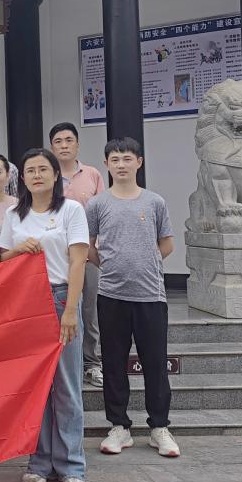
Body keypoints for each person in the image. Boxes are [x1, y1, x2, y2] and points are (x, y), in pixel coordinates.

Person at [0, 149, 89, 482]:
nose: (37, 175)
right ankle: (39, 462)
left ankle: (71, 465)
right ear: (22, 178)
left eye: (43, 169)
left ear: (55, 175)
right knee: (37, 386)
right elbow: (2, 260)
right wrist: (18, 250)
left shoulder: (71, 210)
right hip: (26, 301)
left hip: (61, 296)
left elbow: (78, 262)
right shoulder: (14, 214)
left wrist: (71, 310)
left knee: (66, 386)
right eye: (30, 170)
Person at [86, 137, 179, 459]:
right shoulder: (97, 204)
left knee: (155, 363)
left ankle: (159, 427)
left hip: (151, 295)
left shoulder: (154, 202)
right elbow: (88, 247)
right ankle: (119, 426)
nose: (121, 164)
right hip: (111, 295)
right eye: (114, 159)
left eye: (127, 158)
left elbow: (167, 244)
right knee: (113, 362)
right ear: (106, 165)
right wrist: (111, 265)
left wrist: (147, 263)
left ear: (139, 162)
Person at [49, 122, 107, 389]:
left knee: (89, 309)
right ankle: (59, 363)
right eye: (58, 141)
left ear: (77, 145)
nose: (64, 145)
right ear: (52, 147)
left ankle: (91, 363)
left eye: (68, 140)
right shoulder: (47, 175)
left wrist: (96, 250)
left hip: (87, 255)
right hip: (56, 257)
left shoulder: (92, 174)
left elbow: (102, 214)